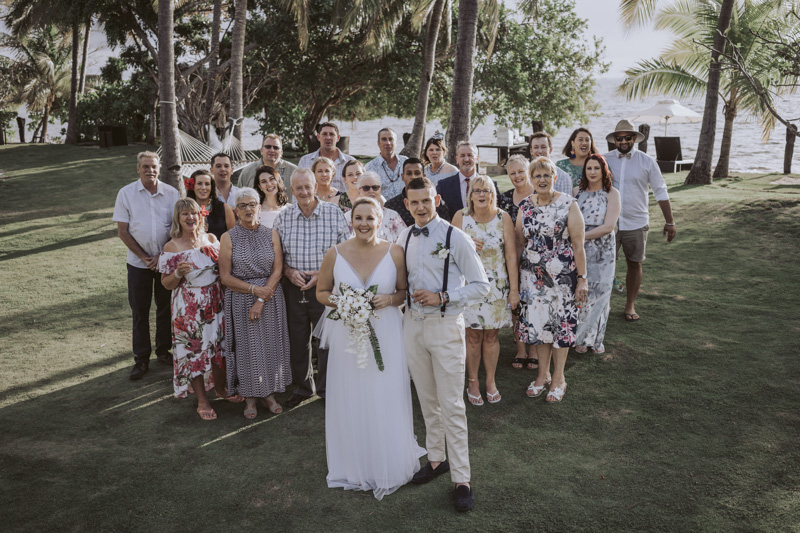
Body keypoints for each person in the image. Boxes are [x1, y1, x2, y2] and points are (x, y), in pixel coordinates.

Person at [316, 197, 426, 500]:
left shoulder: (394, 252)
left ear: (380, 220)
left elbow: (402, 292)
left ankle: (387, 456)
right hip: (347, 334)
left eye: (370, 218)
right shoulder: (335, 254)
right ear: (351, 220)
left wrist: (389, 300)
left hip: (386, 331)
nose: (364, 224)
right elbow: (321, 292)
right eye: (358, 218)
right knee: (351, 391)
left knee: (384, 390)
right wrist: (344, 302)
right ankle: (353, 462)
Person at [400, 177, 490, 512]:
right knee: (426, 399)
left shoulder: (456, 237)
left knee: (452, 403)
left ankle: (462, 478)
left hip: (446, 325)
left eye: (426, 200)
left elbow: (482, 286)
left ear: (436, 199)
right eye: (414, 202)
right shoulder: (404, 236)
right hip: (413, 326)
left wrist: (444, 296)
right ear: (407, 205)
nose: (421, 207)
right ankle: (437, 460)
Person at [274, 168, 352, 409]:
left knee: (326, 340)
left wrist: (322, 275)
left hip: (325, 285)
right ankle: (302, 387)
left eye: (308, 187)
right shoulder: (283, 217)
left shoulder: (333, 213)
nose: (304, 192)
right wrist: (288, 271)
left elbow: (346, 251)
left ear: (315, 187)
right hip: (294, 285)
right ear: (291, 191)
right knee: (298, 339)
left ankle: (327, 388)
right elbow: (277, 257)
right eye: (299, 188)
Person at [516, 157, 588, 403]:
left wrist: (582, 279)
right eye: (537, 176)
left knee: (561, 327)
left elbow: (578, 244)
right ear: (531, 179)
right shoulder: (525, 206)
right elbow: (519, 243)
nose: (542, 180)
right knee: (540, 327)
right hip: (533, 280)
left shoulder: (569, 204)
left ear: (555, 178)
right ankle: (542, 375)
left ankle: (559, 378)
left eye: (547, 175)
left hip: (563, 279)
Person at [219, 188, 291, 418]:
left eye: (252, 204)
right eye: (243, 206)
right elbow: (226, 277)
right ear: (236, 210)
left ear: (259, 208)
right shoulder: (228, 237)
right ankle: (249, 397)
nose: (248, 209)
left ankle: (269, 394)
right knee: (247, 349)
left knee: (271, 346)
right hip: (239, 298)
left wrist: (260, 297)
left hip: (269, 298)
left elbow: (278, 269)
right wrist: (252, 290)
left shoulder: (271, 234)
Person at [113, 151, 180, 380]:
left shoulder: (171, 193)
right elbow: (123, 232)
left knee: (165, 308)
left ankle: (164, 351)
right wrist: (145, 258)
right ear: (138, 169)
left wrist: (161, 256)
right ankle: (141, 359)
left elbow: (177, 229)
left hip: (165, 263)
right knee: (140, 311)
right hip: (137, 264)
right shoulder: (126, 194)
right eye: (145, 166)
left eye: (153, 166)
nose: (150, 170)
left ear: (159, 168)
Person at [452, 176, 517, 406]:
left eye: (486, 190)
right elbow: (449, 254)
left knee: (491, 335)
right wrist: (466, 242)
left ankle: (490, 380)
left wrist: (514, 290)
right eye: (477, 190)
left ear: (493, 194)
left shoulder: (503, 218)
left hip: (496, 287)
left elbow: (510, 255)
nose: (481, 194)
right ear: (470, 195)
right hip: (468, 285)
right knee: (472, 336)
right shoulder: (461, 217)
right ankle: (472, 381)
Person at [158, 198, 224, 421]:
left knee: (217, 348)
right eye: (184, 214)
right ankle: (202, 401)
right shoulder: (172, 246)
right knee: (194, 351)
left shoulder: (212, 239)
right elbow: (166, 284)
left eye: (194, 213)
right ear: (178, 218)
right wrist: (177, 274)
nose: (190, 217)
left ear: (200, 215)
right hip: (188, 306)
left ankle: (222, 390)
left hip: (215, 301)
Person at [603, 120, 676, 322]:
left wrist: (670, 221)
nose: (624, 141)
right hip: (609, 223)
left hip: (636, 222)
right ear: (614, 140)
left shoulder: (647, 161)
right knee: (605, 265)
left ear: (634, 138)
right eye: (620, 138)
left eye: (628, 137)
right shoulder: (603, 160)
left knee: (634, 263)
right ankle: (602, 304)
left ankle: (629, 305)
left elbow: (660, 189)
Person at [573, 155, 620, 353]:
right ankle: (581, 338)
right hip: (580, 250)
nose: (592, 172)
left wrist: (582, 237)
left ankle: (596, 340)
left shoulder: (612, 193)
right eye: (589, 168)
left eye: (596, 168)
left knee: (601, 293)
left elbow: (609, 226)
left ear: (604, 171)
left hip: (603, 250)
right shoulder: (576, 192)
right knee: (583, 292)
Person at [497, 155, 538, 370]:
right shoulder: (503, 200)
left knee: (534, 304)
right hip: (511, 260)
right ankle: (520, 349)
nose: (517, 176)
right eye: (512, 173)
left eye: (520, 171)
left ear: (528, 171)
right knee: (516, 304)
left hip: (536, 260)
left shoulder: (540, 196)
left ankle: (533, 350)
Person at [437, 141, 499, 217]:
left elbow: (496, 212)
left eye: (470, 155)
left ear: (477, 159)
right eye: (462, 156)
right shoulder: (444, 186)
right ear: (457, 159)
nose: (466, 159)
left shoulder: (491, 185)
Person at [385, 158, 451, 226]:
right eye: (409, 173)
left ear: (424, 176)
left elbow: (445, 228)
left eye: (417, 173)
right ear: (402, 177)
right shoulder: (391, 205)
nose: (413, 177)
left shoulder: (436, 203)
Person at [236, 134, 298, 202]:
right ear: (261, 150)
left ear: (281, 152)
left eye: (276, 147)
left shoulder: (294, 172)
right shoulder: (247, 172)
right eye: (268, 147)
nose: (272, 150)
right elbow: (239, 198)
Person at [298, 122, 354, 191]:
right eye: (324, 134)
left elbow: (358, 189)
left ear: (338, 138)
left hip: (342, 201)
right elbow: (298, 186)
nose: (328, 137)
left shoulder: (350, 162)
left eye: (332, 134)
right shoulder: (305, 161)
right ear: (318, 137)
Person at [185, 169, 235, 240]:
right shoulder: (184, 209)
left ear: (212, 187)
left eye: (207, 184)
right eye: (199, 183)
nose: (203, 188)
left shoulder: (224, 208)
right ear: (193, 186)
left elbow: (234, 237)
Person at [357, 172, 406, 243]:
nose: (371, 191)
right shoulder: (350, 217)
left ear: (380, 191)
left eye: (375, 187)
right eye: (366, 188)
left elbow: (404, 242)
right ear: (359, 192)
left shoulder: (393, 216)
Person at [365, 127, 408, 200]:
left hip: (407, 207)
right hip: (383, 209)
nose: (388, 143)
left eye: (391, 139)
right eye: (384, 139)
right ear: (378, 143)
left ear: (396, 143)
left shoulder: (406, 162)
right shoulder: (370, 168)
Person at [529, 131, 573, 196]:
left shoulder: (563, 178)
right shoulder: (526, 176)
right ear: (531, 151)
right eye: (536, 147)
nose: (540, 151)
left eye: (543, 147)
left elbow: (567, 204)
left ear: (550, 150)